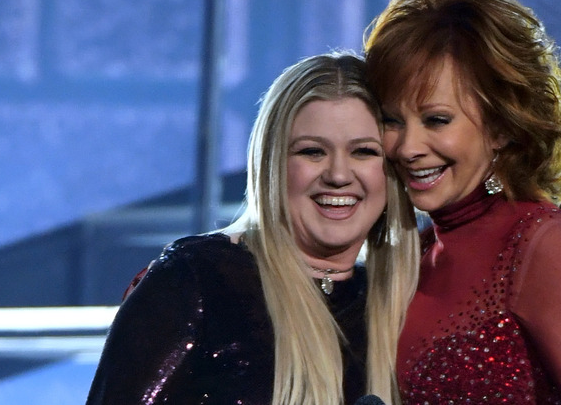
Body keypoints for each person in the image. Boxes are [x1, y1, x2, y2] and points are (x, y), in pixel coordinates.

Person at [86, 52, 420, 405]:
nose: (338, 175)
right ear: (272, 163)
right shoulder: (198, 277)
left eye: (364, 152)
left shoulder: (396, 305)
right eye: (312, 152)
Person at [363, 0, 561, 404]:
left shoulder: (542, 246)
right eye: (392, 121)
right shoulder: (412, 254)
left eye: (436, 120)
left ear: (502, 126)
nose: (408, 148)